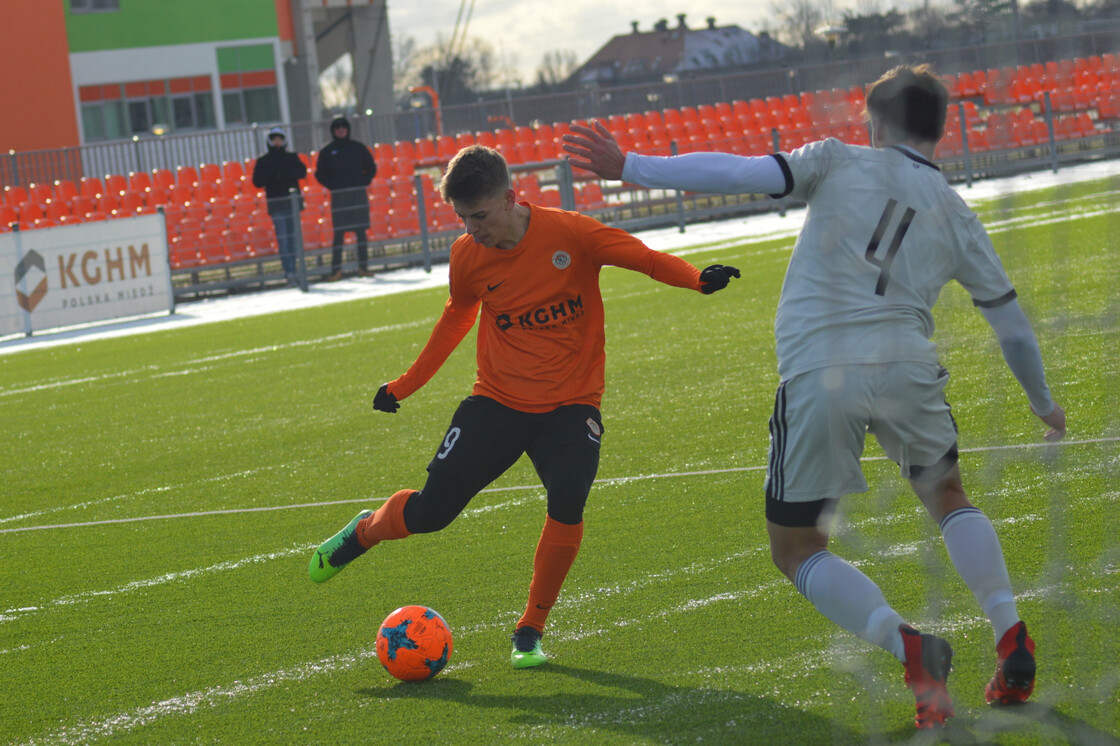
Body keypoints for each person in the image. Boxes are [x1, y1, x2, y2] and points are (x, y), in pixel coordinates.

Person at [563, 64, 1066, 729]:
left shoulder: (837, 159)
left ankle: (908, 647)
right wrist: (1041, 402)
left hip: (820, 370)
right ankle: (1010, 633)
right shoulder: (956, 212)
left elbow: (744, 173)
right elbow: (1011, 324)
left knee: (796, 548)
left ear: (876, 123)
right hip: (908, 366)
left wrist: (631, 163)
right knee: (949, 497)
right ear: (940, 132)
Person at [308, 144, 740, 669]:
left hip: (571, 404)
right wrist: (403, 386)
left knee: (568, 500)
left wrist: (697, 278)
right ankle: (365, 530)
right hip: (497, 403)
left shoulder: (571, 234)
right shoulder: (467, 256)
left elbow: (644, 258)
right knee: (430, 515)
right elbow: (455, 319)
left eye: (481, 216)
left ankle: (529, 630)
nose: (472, 229)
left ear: (512, 198)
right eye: (463, 218)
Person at [314, 115, 377, 281]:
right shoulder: (327, 151)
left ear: (348, 129)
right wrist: (333, 186)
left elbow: (371, 167)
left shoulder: (358, 148)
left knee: (361, 232)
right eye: (337, 128)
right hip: (339, 197)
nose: (340, 130)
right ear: (333, 131)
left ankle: (363, 268)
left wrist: (363, 182)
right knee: (339, 234)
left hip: (358, 195)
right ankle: (336, 271)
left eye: (343, 127)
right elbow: (319, 174)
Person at [251, 126, 306, 285]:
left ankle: (295, 269)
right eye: (274, 138)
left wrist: (284, 171)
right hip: (277, 205)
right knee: (283, 239)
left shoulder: (291, 157)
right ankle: (289, 271)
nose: (277, 141)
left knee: (293, 239)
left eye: (279, 138)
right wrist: (274, 173)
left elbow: (302, 172)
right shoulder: (264, 161)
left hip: (292, 204)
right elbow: (257, 181)